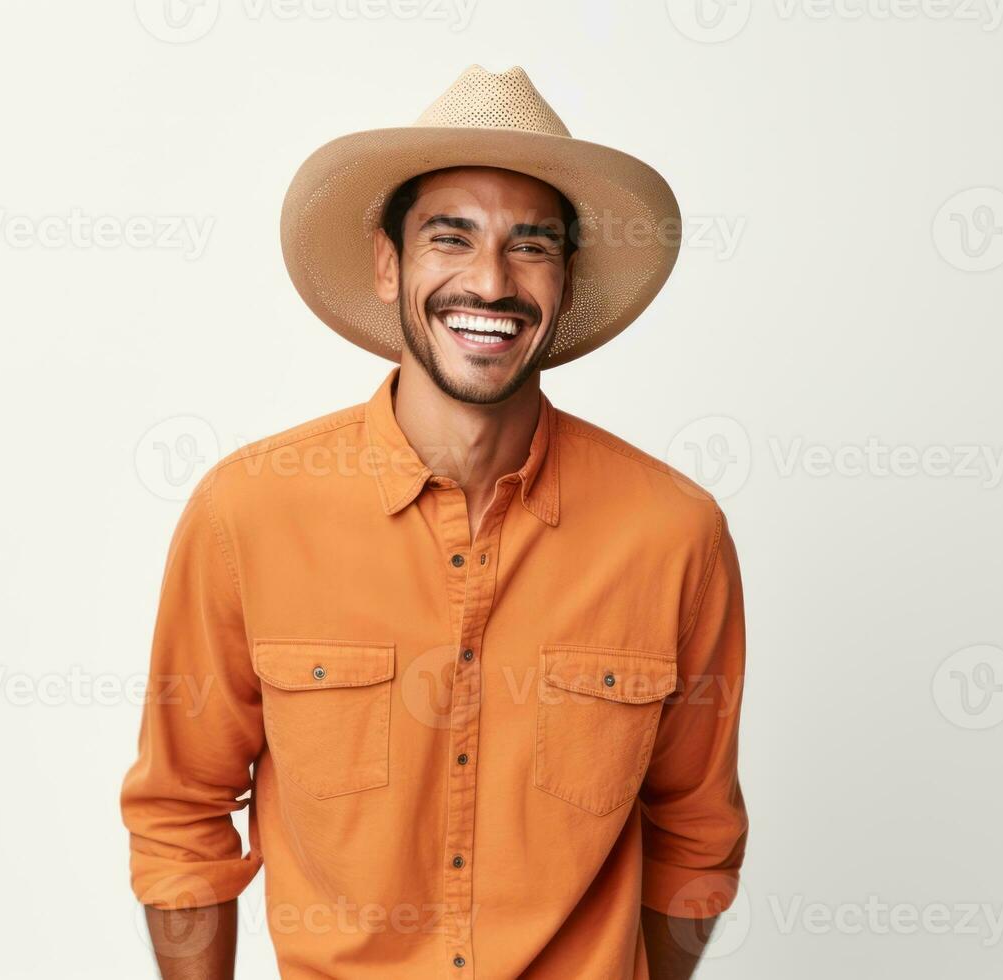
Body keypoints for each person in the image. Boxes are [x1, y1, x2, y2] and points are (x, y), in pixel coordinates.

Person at [121, 64, 749, 979]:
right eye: (449, 238)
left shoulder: (672, 534)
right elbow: (179, 816)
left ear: (566, 278)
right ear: (388, 263)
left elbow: (695, 835)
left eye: (529, 245)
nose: (489, 282)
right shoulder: (247, 514)